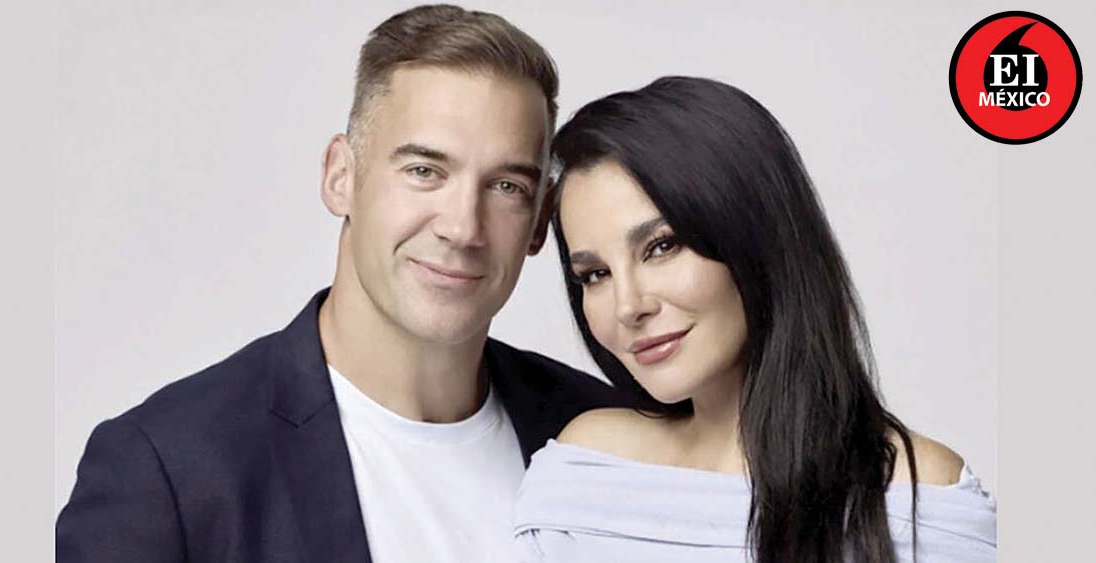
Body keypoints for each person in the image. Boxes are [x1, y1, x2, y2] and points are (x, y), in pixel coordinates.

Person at [56, 5, 631, 563]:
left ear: (539, 222)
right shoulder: (168, 471)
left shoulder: (609, 440)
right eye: (424, 171)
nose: (462, 228)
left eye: (506, 187)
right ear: (340, 177)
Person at [513, 77, 997, 562]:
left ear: (755, 238)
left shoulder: (921, 501)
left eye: (662, 246)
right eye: (595, 274)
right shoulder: (586, 473)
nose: (627, 305)